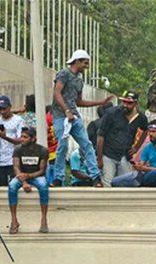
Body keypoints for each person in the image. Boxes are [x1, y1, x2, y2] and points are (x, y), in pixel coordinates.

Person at [51, 49, 112, 186]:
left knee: (87, 144)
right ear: (76, 61)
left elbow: (78, 101)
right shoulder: (64, 73)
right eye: (85, 63)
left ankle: (95, 176)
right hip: (61, 116)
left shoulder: (79, 80)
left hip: (74, 115)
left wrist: (100, 102)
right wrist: (66, 110)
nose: (86, 66)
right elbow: (57, 93)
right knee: (62, 146)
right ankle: (58, 178)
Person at [109, 121, 156, 188]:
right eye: (149, 131)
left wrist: (145, 169)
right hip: (148, 174)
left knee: (153, 174)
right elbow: (141, 165)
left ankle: (137, 183)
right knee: (115, 181)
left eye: (154, 132)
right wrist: (138, 166)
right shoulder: (148, 147)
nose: (150, 134)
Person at [7, 125, 50, 234]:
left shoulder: (42, 150)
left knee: (44, 186)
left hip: (36, 176)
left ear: (33, 138)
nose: (22, 139)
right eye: (21, 136)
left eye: (25, 137)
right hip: (21, 176)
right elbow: (16, 167)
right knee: (12, 186)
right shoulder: (18, 149)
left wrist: (29, 176)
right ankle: (14, 220)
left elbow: (42, 170)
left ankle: (44, 219)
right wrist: (24, 182)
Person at [0, 95, 24, 186]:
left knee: (14, 185)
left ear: (10, 107)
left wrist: (4, 137)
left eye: (4, 109)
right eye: (0, 109)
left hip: (13, 159)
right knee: (2, 186)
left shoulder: (18, 120)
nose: (2, 111)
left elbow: (20, 140)